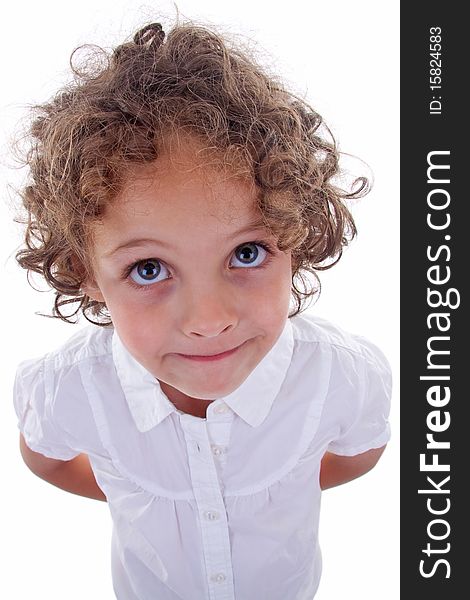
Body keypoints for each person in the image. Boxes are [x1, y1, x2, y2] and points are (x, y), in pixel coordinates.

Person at [12, 18, 391, 600]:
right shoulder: (69, 389)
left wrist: (279, 482)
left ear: (293, 235)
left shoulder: (341, 375)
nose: (208, 318)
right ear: (88, 273)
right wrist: (140, 487)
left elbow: (358, 455)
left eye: (246, 252)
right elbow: (47, 460)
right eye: (149, 269)